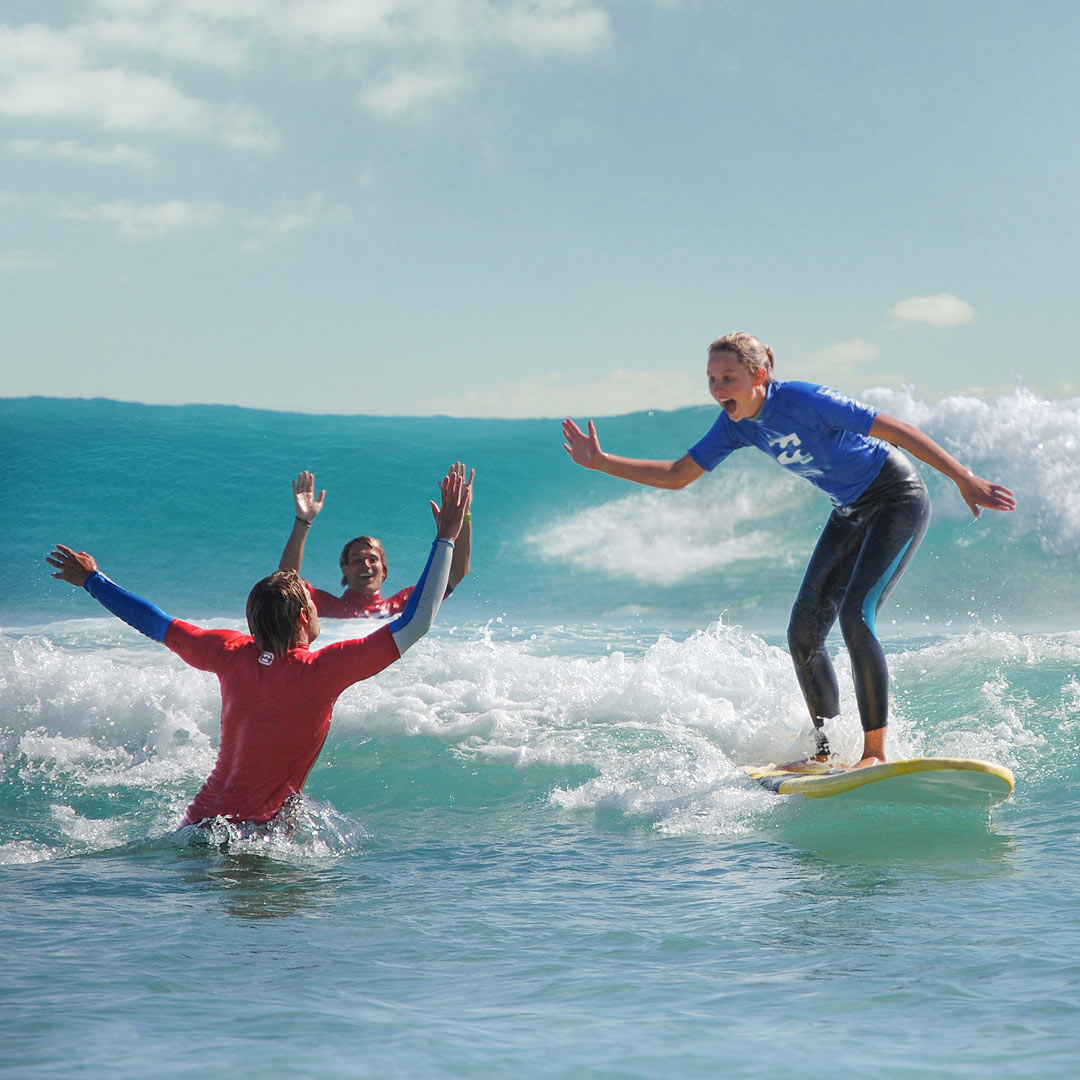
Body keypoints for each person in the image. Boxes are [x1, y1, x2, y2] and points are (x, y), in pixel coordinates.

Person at [562, 332, 1016, 770]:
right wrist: (602, 462)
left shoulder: (804, 399)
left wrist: (963, 478)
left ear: (759, 375)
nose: (718, 388)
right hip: (849, 510)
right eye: (712, 379)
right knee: (803, 633)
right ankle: (827, 751)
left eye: (728, 378)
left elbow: (899, 430)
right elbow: (678, 474)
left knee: (855, 615)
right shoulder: (737, 425)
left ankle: (875, 750)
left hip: (897, 497)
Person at [46, 464, 471, 827]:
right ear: (303, 617)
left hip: (197, 823)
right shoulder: (320, 671)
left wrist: (93, 581)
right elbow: (416, 622)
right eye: (311, 606)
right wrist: (446, 537)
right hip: (249, 835)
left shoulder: (227, 651)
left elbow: (153, 622)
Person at [278, 463, 474, 618]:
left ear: (384, 570)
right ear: (344, 568)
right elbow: (286, 581)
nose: (366, 565)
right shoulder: (324, 606)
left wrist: (463, 517)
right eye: (357, 560)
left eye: (373, 559)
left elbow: (456, 573)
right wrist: (303, 521)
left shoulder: (399, 607)